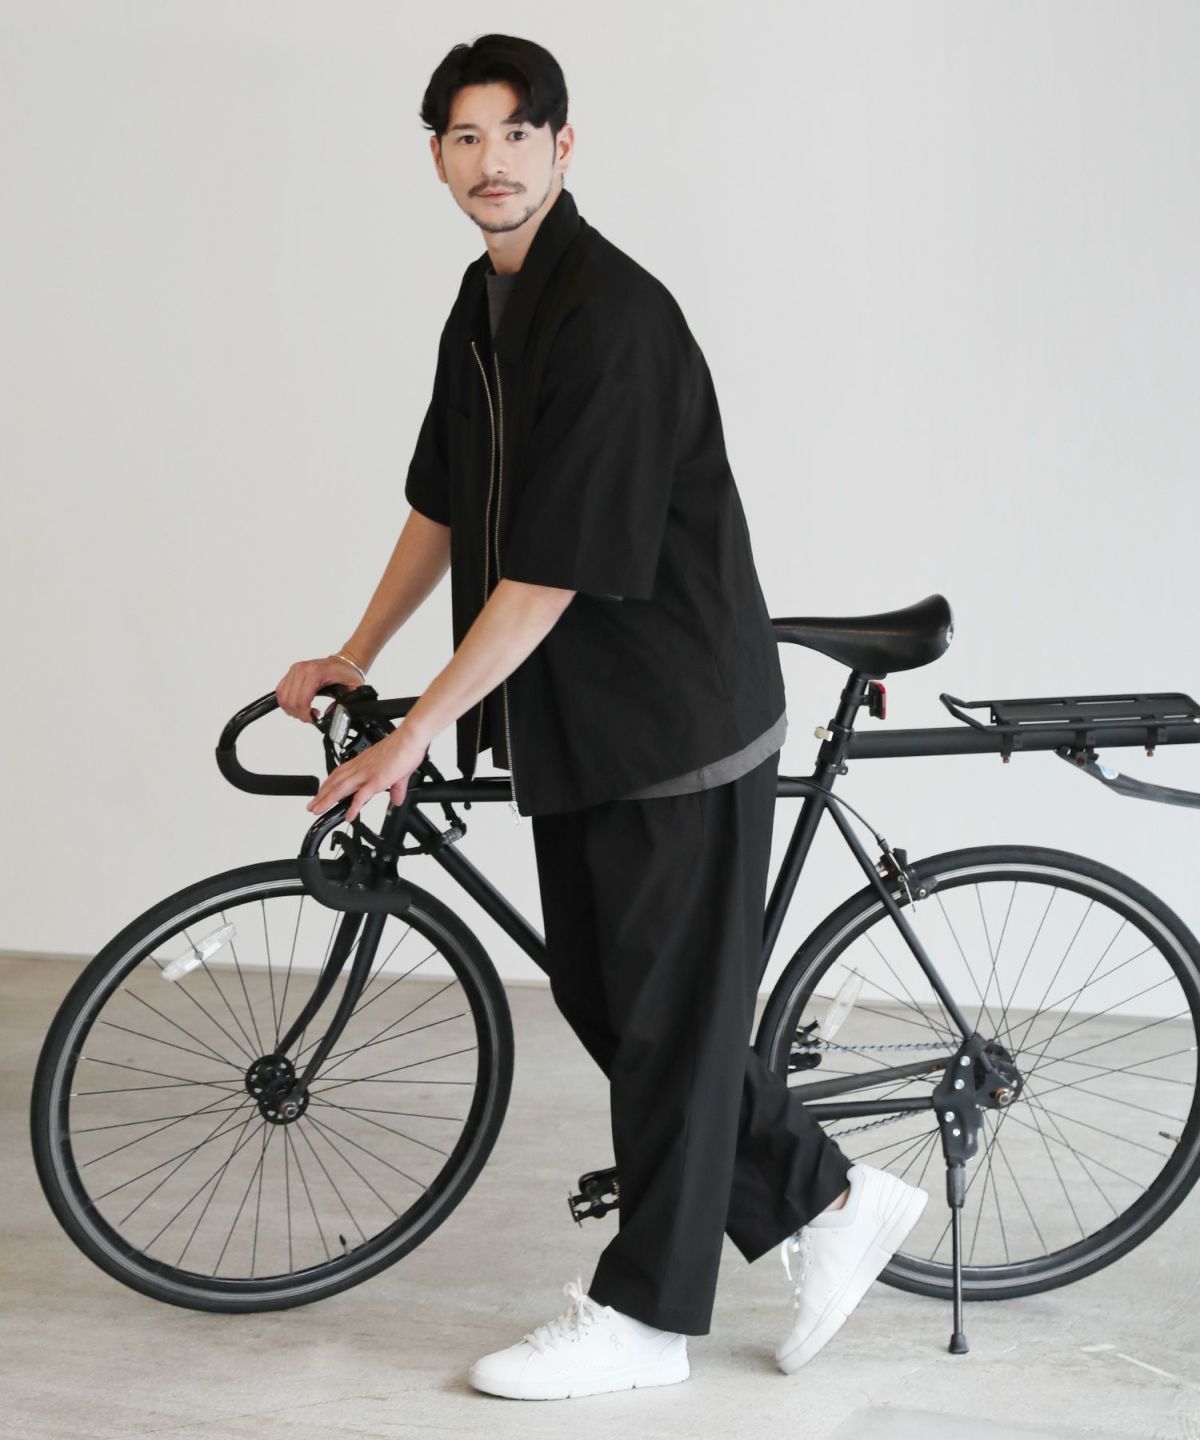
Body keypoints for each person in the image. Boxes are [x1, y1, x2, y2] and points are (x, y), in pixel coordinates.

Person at [275, 33, 927, 1402]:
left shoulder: (614, 318)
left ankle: (645, 1321)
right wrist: (354, 651)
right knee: (615, 998)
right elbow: (445, 503)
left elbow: (550, 571)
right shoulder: (484, 305)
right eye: (466, 137)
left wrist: (413, 731)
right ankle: (827, 1199)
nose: (492, 162)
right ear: (437, 157)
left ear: (563, 147)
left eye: (517, 134)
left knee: (668, 1024)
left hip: (675, 720)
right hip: (580, 721)